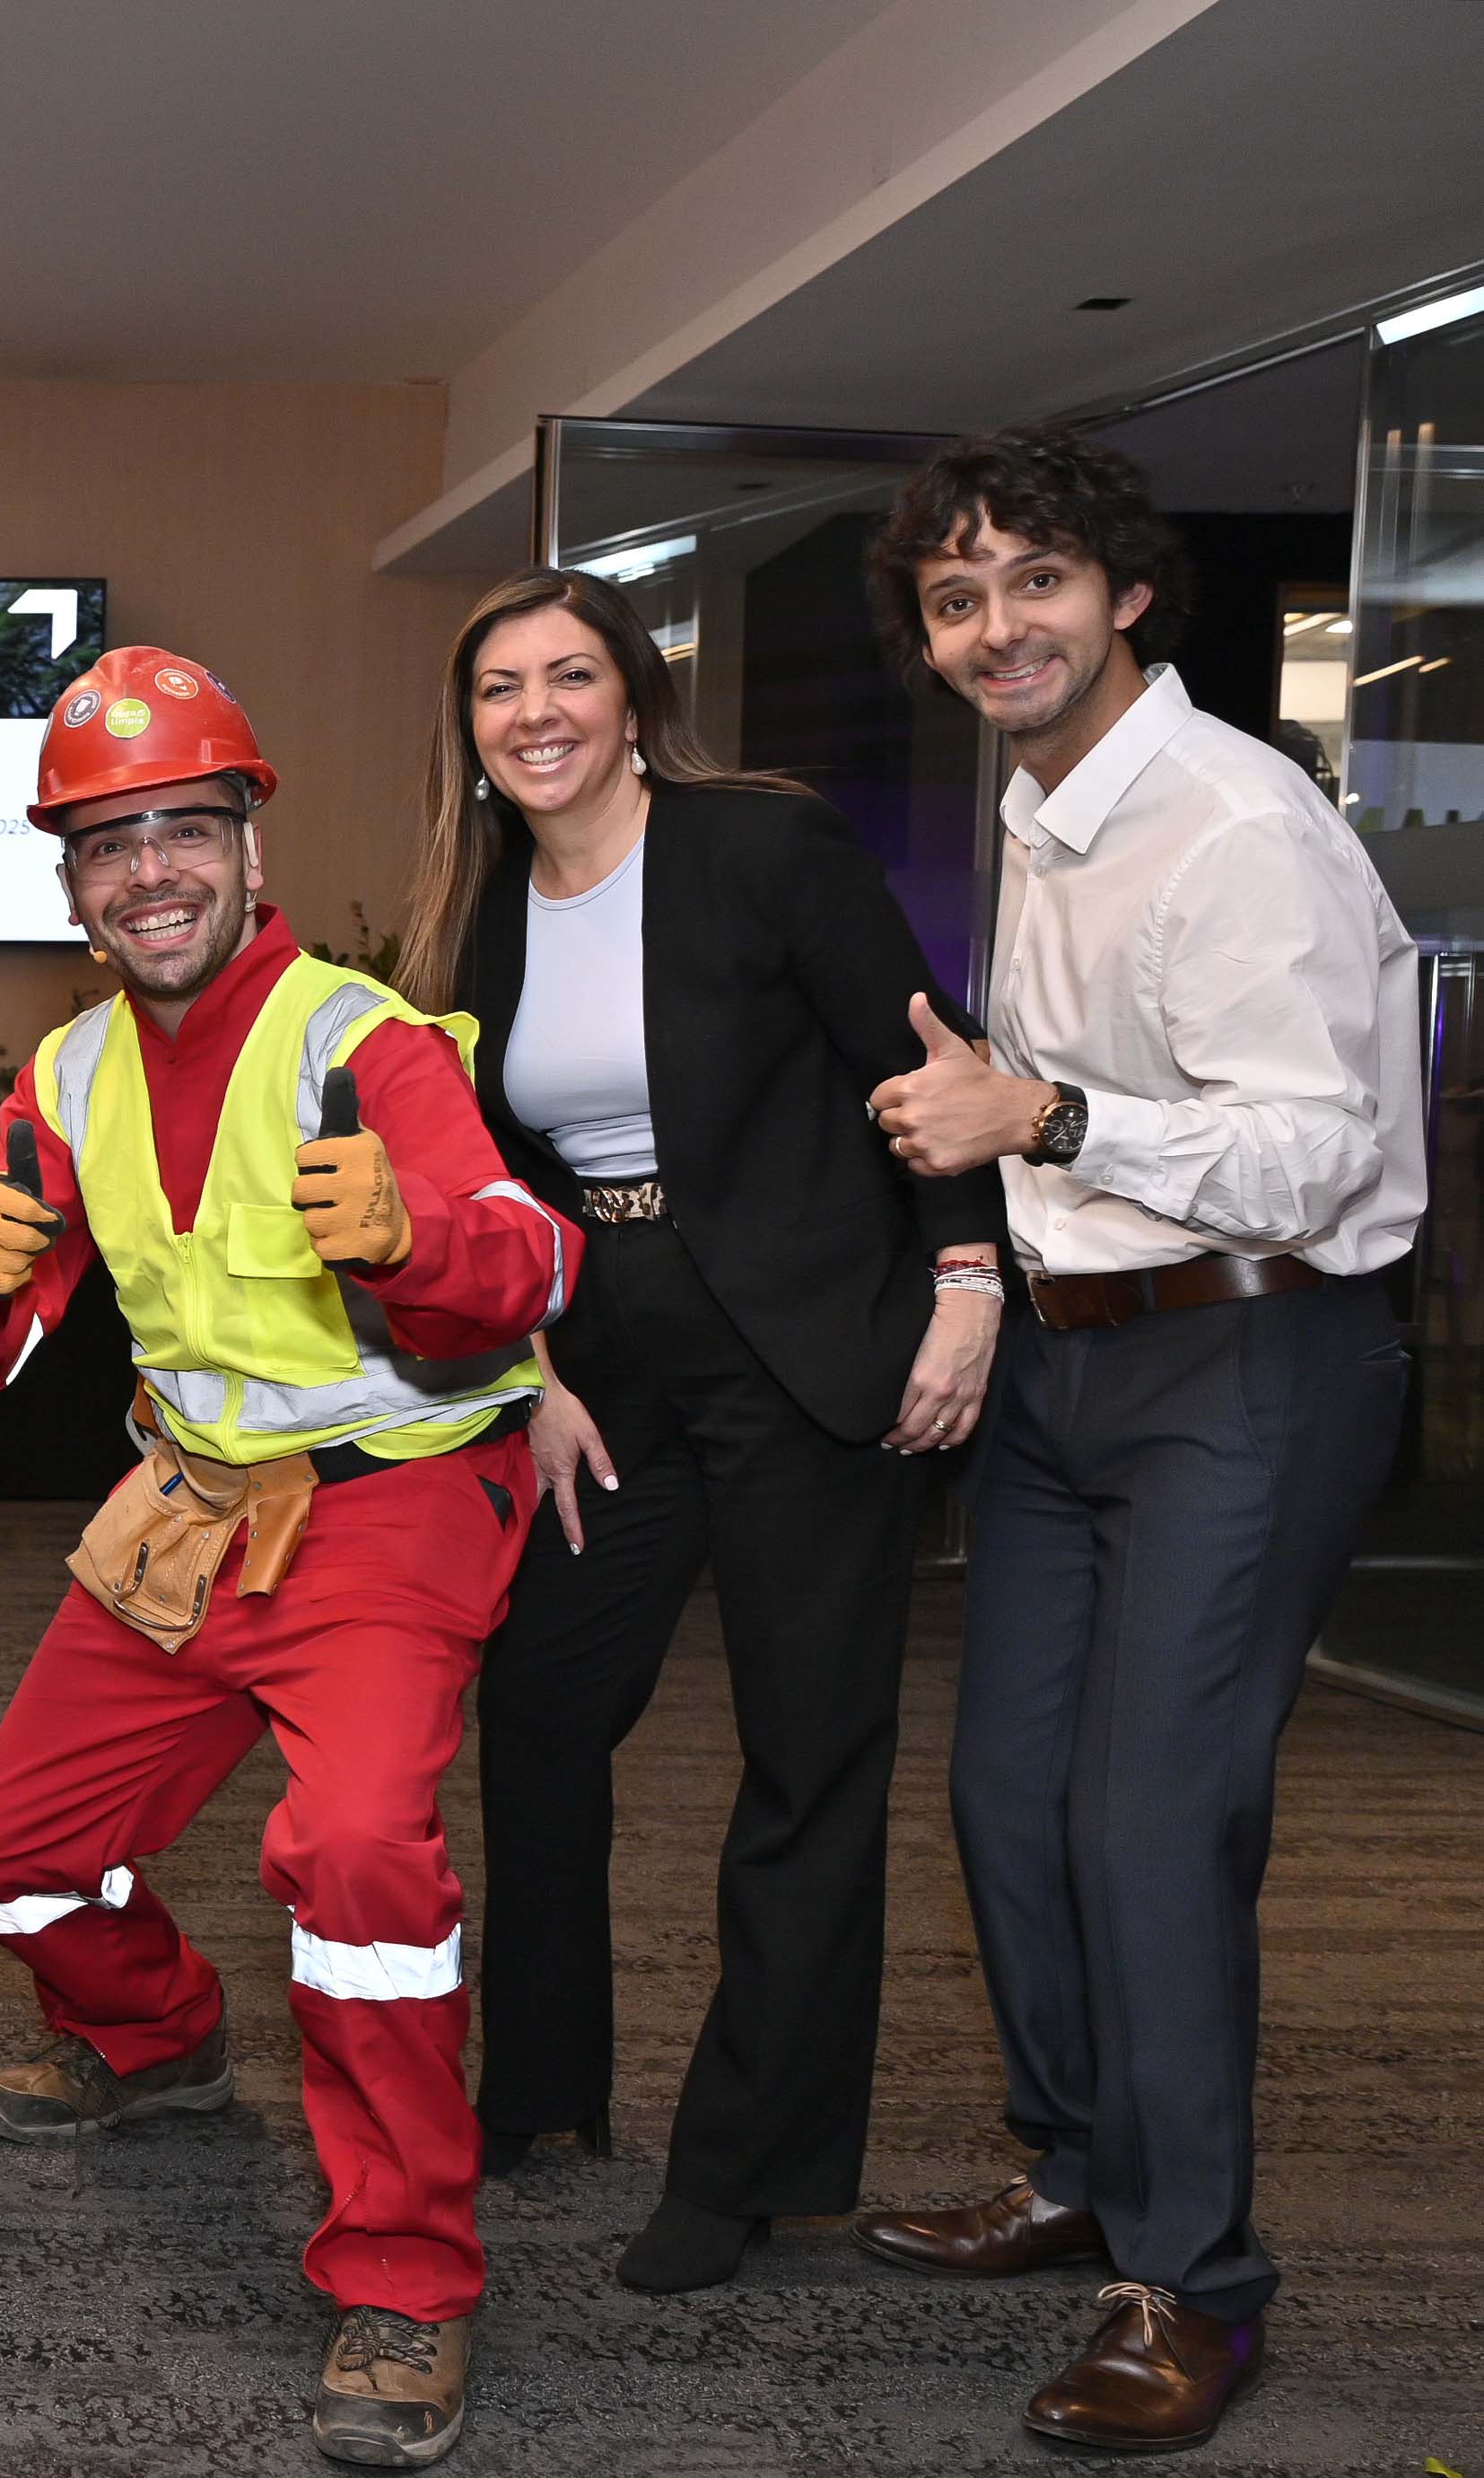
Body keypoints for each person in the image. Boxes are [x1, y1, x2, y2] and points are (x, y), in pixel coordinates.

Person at [0, 646, 581, 2470]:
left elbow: (535, 1261)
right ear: (73, 885)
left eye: (183, 831)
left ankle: (407, 2282)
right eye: (108, 847)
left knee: (354, 1857)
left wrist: (419, 1240)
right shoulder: (67, 1071)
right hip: (197, 1511)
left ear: (249, 847)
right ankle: (159, 2035)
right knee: (14, 1849)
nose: (150, 875)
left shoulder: (361, 1040)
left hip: (393, 1504)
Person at [855, 429, 1421, 2456]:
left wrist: (1045, 1119)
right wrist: (1001, 1228)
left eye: (1036, 580)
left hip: (1251, 1357)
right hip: (1072, 1359)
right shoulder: (1042, 807)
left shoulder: (1234, 820)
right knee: (1011, 1798)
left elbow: (1313, 1151)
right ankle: (1085, 2165)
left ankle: (1194, 2282)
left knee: (1150, 1823)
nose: (997, 625)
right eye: (957, 598)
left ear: (1127, 594)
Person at [388, 567, 1006, 2296]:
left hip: (804, 1335)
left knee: (809, 1752)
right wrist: (534, 1368)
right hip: (607, 1351)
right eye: (499, 687)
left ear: (633, 697)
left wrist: (968, 1279)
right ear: (472, 729)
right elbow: (487, 1171)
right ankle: (543, 2091)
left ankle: (750, 2164)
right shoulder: (477, 911)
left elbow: (928, 1062)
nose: (535, 713)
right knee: (540, 1705)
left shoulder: (761, 846)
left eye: (568, 675)